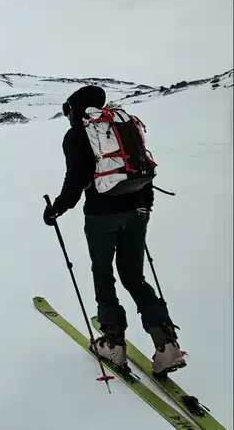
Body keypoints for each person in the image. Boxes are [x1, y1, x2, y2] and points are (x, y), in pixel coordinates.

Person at [43, 85, 186, 376]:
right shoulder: (123, 126)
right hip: (137, 210)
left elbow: (77, 177)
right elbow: (143, 168)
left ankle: (113, 342)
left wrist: (58, 207)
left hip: (101, 214)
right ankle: (166, 344)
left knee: (103, 272)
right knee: (134, 276)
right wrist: (145, 205)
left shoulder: (78, 135)